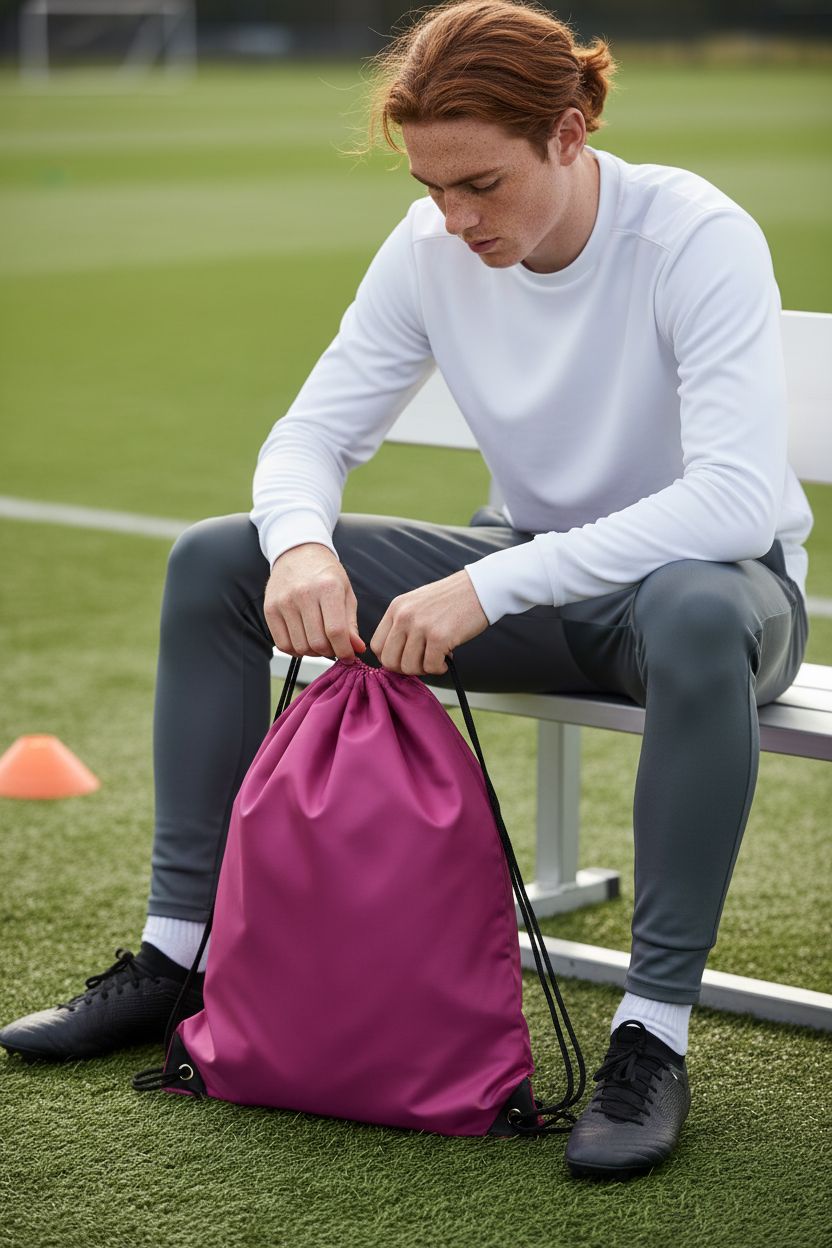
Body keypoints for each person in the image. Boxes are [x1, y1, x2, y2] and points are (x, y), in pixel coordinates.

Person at [0, 0, 811, 1181]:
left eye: (480, 182)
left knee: (690, 603)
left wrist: (494, 580)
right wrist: (301, 549)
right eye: (433, 187)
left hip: (712, 604)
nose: (454, 218)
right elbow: (308, 437)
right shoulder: (429, 247)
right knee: (216, 557)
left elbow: (735, 498)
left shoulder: (693, 234)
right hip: (526, 580)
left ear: (571, 133)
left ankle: (651, 1034)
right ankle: (177, 956)